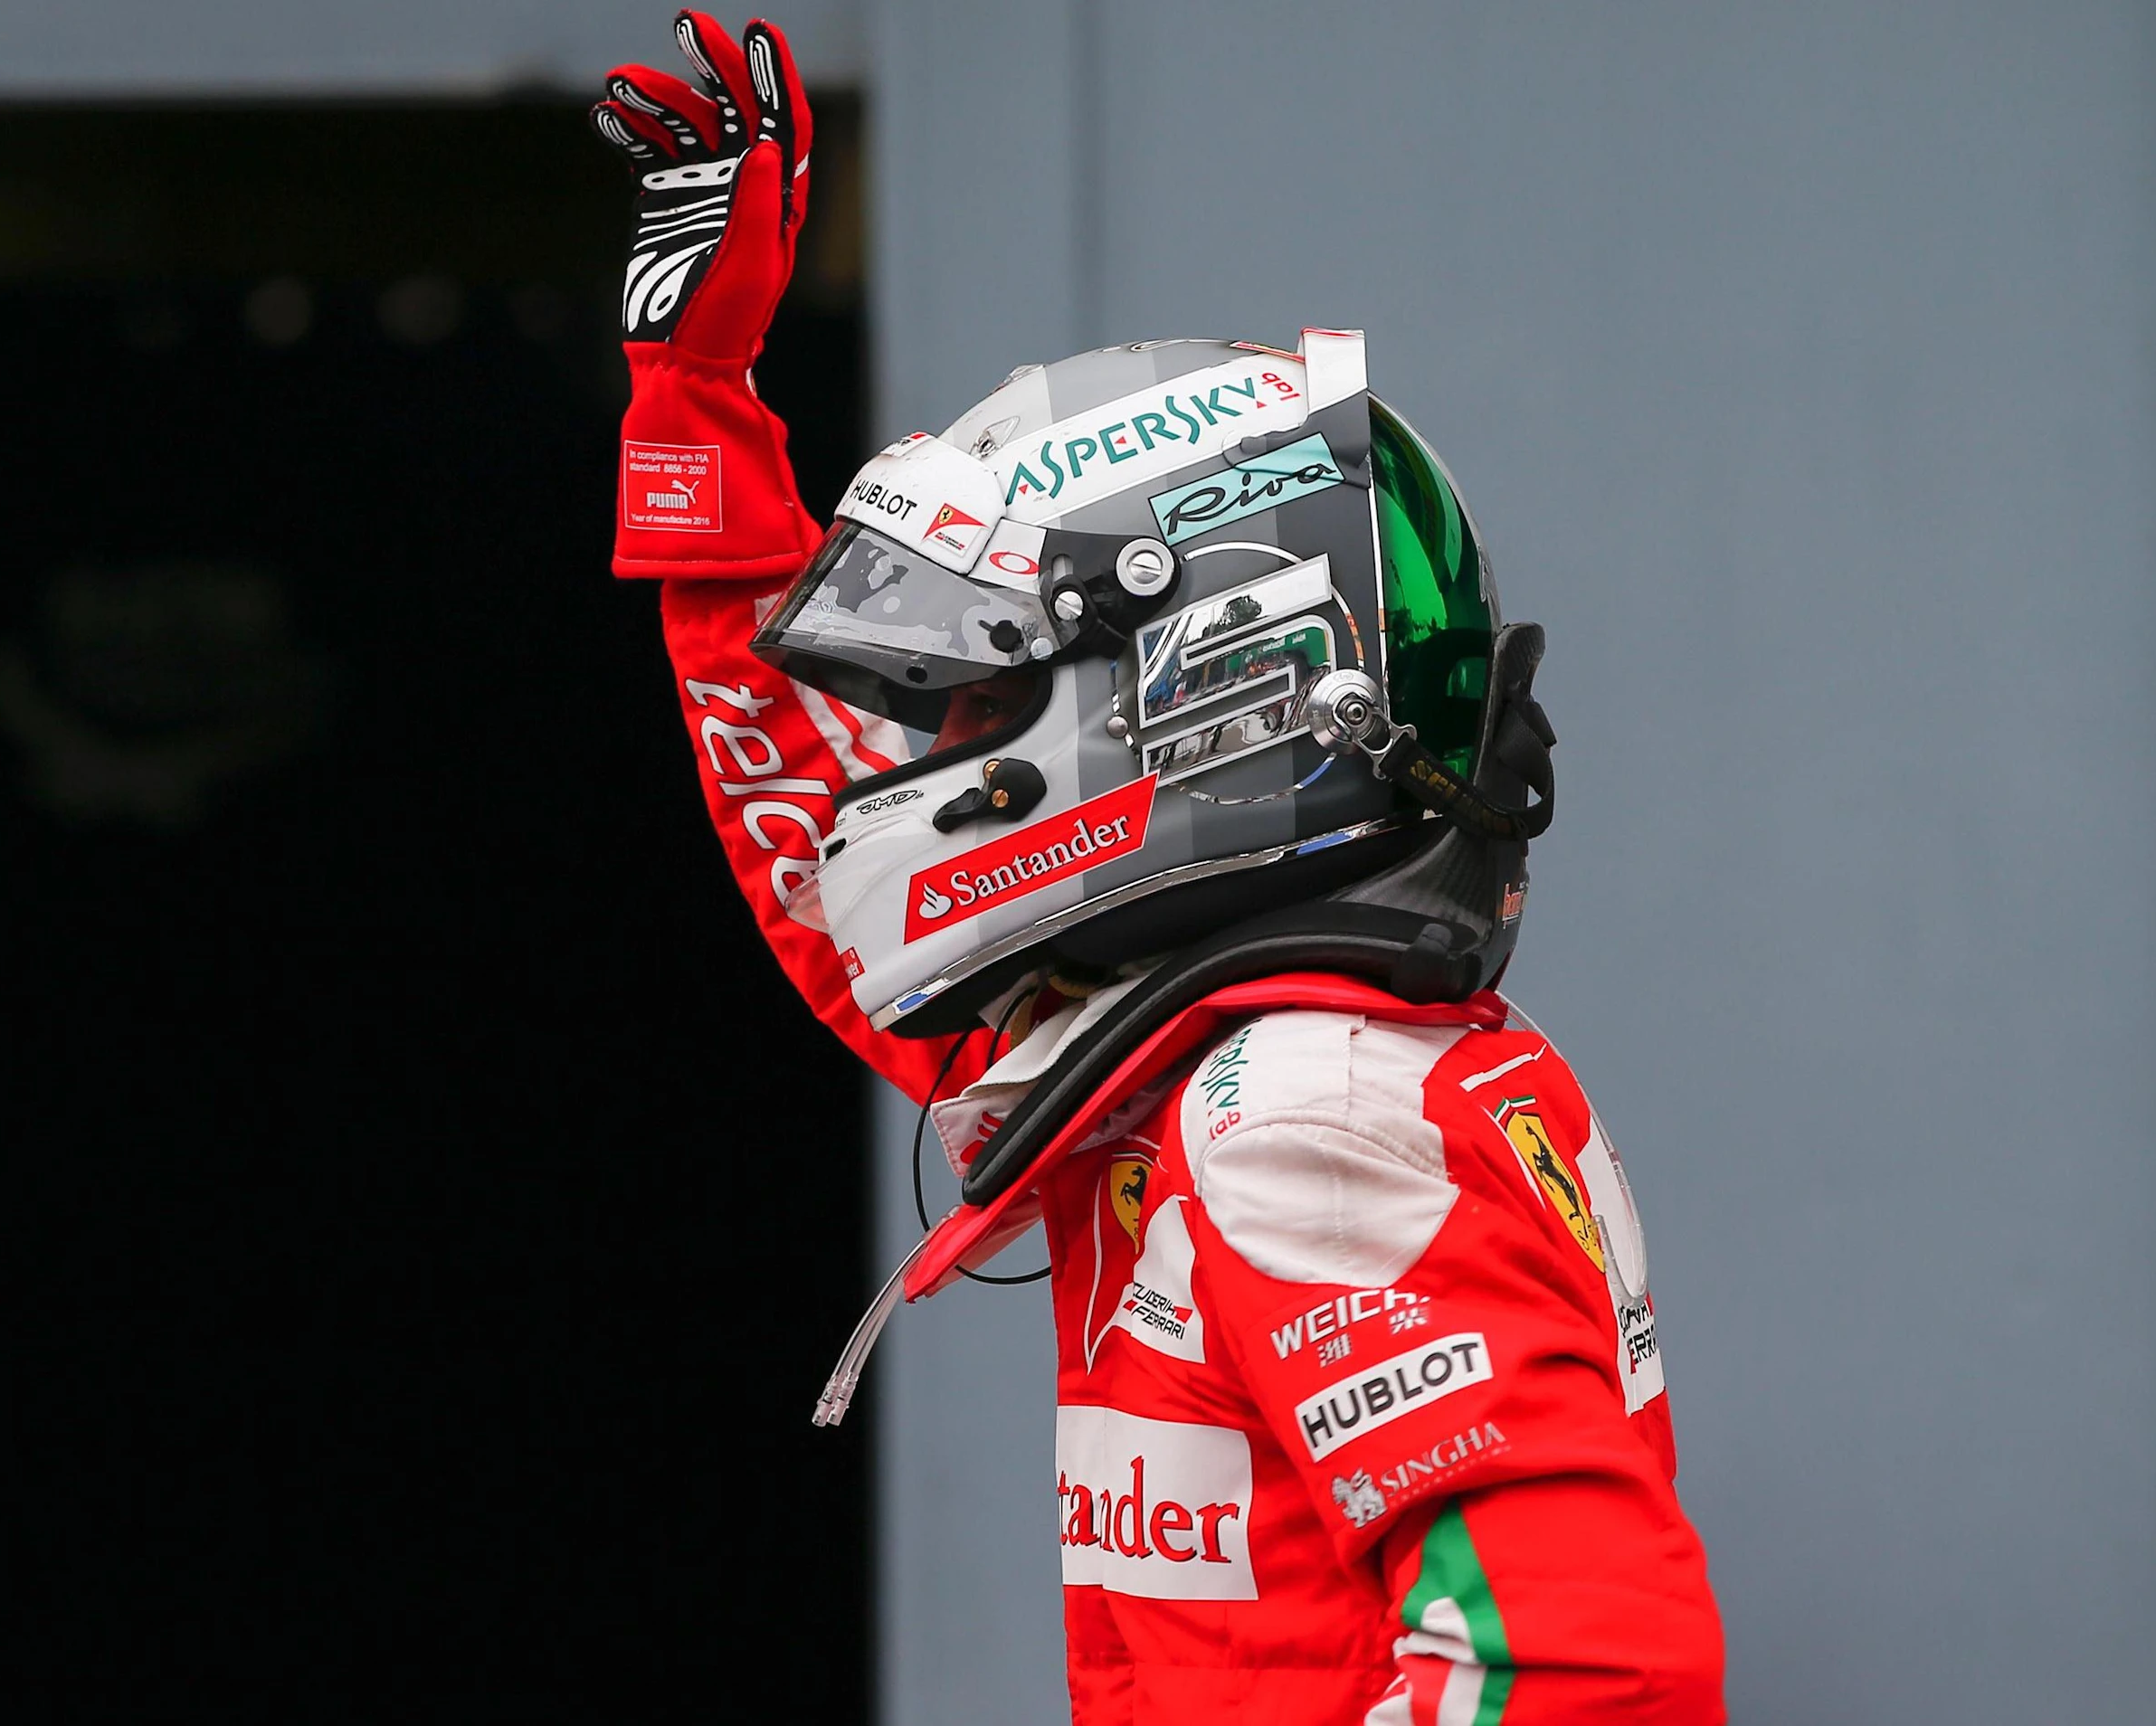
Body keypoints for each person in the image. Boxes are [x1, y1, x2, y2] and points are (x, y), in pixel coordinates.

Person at [592, 15, 1725, 1722]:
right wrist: (694, 410)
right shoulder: (1203, 1057)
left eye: (977, 703)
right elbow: (833, 892)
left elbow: (1581, 1672)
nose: (925, 766)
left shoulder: (1296, 1114)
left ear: (1196, 697)